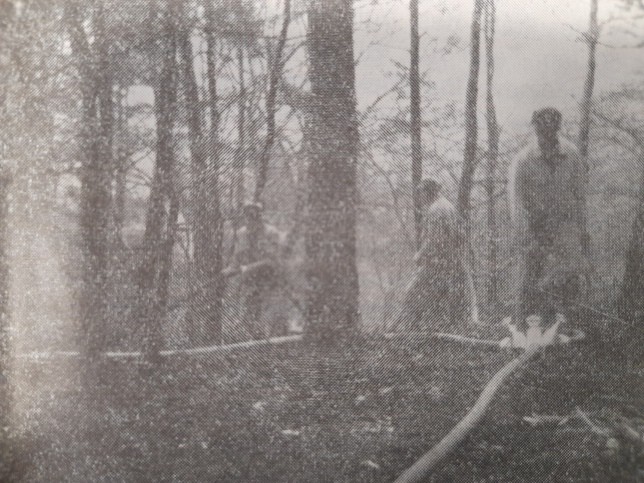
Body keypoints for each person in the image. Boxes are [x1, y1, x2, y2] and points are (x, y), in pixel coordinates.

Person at [508, 107, 591, 332]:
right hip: (536, 226)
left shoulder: (571, 155)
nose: (547, 135)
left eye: (551, 129)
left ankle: (565, 324)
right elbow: (516, 202)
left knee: (569, 274)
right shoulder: (523, 160)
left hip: (566, 225)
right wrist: (525, 235)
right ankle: (525, 326)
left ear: (557, 129)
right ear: (535, 129)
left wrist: (582, 230)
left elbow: (580, 195)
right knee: (530, 275)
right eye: (541, 129)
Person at [392, 178, 476, 331]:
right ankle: (416, 330)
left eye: (422, 192)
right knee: (435, 301)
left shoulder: (436, 209)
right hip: (450, 263)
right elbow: (459, 236)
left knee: (412, 293)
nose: (420, 197)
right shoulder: (447, 206)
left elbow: (434, 240)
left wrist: (420, 255)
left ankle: (404, 332)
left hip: (438, 264)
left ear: (428, 192)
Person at [229, 201, 289, 339]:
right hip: (251, 285)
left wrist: (249, 268)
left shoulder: (271, 233)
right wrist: (228, 271)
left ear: (259, 216)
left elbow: (273, 261)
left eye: (253, 215)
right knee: (250, 322)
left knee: (273, 323)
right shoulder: (241, 234)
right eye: (247, 216)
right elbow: (236, 259)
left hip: (271, 284)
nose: (250, 219)